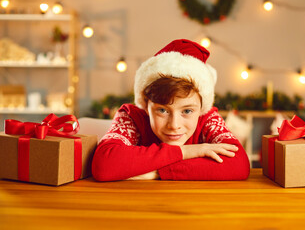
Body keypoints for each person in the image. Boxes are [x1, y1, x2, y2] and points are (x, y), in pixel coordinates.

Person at [91, 39, 250, 181]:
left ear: (201, 108)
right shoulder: (132, 116)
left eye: (187, 111)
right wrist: (185, 152)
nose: (174, 125)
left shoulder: (207, 118)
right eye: (162, 110)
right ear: (146, 105)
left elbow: (239, 164)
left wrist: (156, 172)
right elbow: (104, 164)